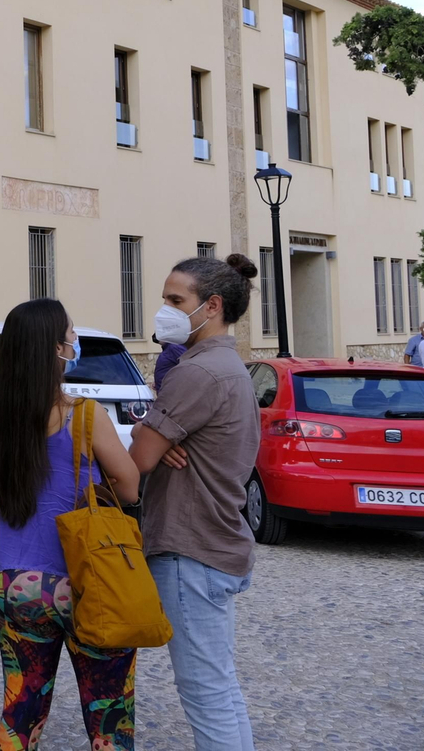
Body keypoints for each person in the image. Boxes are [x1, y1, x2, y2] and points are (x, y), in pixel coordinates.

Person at [0, 298, 141, 751]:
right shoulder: (86, 416)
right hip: (85, 581)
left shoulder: (3, 415)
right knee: (108, 713)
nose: (76, 341)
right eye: (71, 335)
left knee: (21, 709)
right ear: (55, 349)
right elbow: (129, 487)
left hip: (15, 581)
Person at [127, 256, 262, 751]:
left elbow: (138, 459)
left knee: (205, 692)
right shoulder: (228, 367)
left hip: (192, 549)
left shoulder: (199, 373)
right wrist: (159, 436)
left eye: (175, 301)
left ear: (212, 306)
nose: (164, 310)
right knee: (220, 687)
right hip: (216, 542)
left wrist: (147, 431)